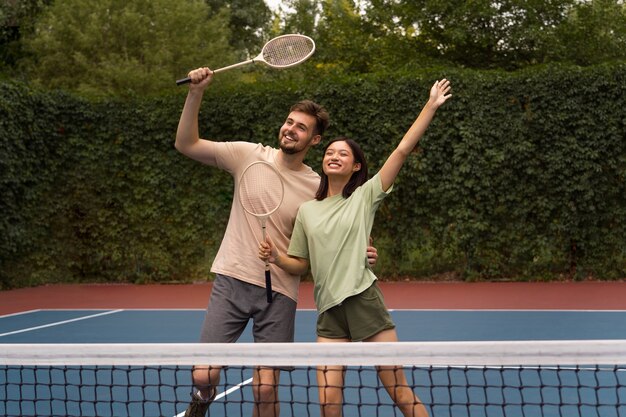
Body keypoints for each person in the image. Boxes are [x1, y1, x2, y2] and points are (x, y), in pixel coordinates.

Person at [174, 67, 379, 417]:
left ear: (314, 140)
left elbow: (341, 223)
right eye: (289, 122)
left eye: (301, 127)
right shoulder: (247, 155)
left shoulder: (316, 187)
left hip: (279, 293)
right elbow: (186, 144)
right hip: (232, 279)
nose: (291, 129)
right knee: (203, 374)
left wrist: (363, 248)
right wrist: (196, 93)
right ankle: (201, 400)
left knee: (265, 388)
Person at [258, 79, 452, 417]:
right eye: (330, 152)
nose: (334, 156)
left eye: (343, 154)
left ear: (356, 166)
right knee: (327, 402)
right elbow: (300, 265)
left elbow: (402, 149)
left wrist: (431, 105)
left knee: (399, 391)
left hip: (364, 301)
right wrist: (275, 256)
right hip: (328, 313)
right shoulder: (307, 211)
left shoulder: (365, 196)